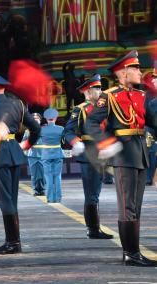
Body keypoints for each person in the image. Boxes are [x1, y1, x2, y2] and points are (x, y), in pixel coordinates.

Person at [85, 50, 157, 266]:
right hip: (123, 155)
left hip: (140, 152)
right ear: (123, 72)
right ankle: (130, 254)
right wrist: (107, 143)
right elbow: (91, 124)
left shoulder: (141, 95)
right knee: (127, 206)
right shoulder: (109, 96)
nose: (139, 71)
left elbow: (153, 121)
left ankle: (134, 252)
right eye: (135, 68)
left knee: (136, 205)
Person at [0, 70, 40, 254]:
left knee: (5, 200)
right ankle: (15, 241)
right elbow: (35, 128)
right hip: (14, 152)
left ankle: (12, 242)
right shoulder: (18, 104)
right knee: (12, 199)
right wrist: (26, 144)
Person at [62, 74, 113, 239]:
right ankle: (93, 229)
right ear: (87, 91)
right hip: (89, 153)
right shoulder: (81, 109)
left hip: (104, 153)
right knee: (91, 193)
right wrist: (76, 142)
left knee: (96, 192)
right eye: (96, 88)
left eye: (100, 87)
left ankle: (94, 228)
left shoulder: (105, 107)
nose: (100, 90)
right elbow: (67, 132)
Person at [40, 108, 64, 203]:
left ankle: (50, 198)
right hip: (58, 153)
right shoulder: (61, 129)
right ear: (56, 118)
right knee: (57, 176)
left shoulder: (42, 129)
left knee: (48, 176)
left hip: (46, 154)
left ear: (46, 118)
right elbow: (64, 141)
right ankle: (58, 198)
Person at [22, 113, 45, 196]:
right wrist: (25, 152)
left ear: (40, 120)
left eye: (37, 118)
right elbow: (24, 142)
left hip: (43, 154)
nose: (35, 119)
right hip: (32, 155)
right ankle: (36, 190)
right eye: (34, 118)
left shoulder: (45, 130)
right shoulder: (28, 131)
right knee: (34, 174)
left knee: (43, 174)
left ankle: (42, 190)